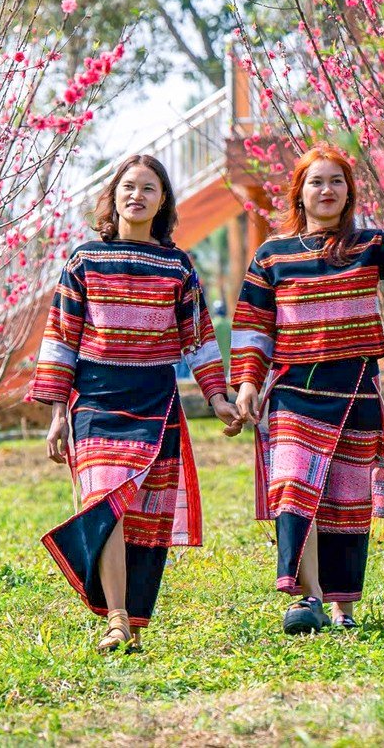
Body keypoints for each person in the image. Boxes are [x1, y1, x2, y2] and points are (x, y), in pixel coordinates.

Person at [227, 144, 384, 633]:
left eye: (336, 182)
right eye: (316, 182)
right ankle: (304, 599)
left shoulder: (368, 247)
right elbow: (252, 327)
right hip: (292, 392)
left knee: (346, 502)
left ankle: (343, 608)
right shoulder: (272, 256)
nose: (326, 190)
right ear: (300, 194)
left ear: (349, 193)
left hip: (354, 391)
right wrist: (247, 384)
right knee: (292, 486)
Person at [28, 154, 239, 652]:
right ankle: (116, 619)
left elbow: (200, 339)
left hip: (155, 402)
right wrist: (58, 412)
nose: (136, 195)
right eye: (128, 186)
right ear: (113, 195)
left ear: (162, 200)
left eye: (149, 188)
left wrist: (218, 396)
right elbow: (61, 336)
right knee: (105, 501)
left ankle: (131, 620)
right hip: (95, 400)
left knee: (142, 515)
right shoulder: (84, 261)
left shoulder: (177, 265)